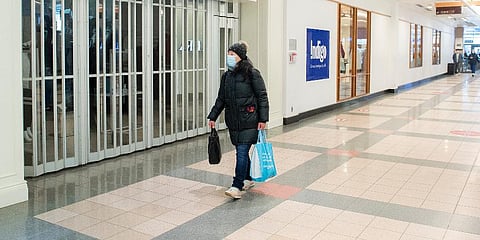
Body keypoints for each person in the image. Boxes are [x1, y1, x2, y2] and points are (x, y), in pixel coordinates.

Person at [207, 41, 269, 199]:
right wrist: (213, 116)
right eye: (228, 54)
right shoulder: (226, 76)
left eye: (232, 54)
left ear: (240, 56)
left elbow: (262, 96)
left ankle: (237, 185)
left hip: (249, 119)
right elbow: (221, 98)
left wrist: (263, 119)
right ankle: (247, 178)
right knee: (241, 151)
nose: (229, 57)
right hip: (233, 121)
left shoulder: (252, 73)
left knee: (241, 152)